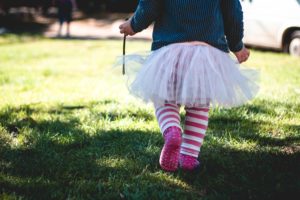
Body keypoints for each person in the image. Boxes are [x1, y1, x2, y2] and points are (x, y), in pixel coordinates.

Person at [119, 0, 259, 172]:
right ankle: (189, 157)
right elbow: (233, 14)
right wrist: (237, 46)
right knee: (199, 106)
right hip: (208, 52)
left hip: (169, 49)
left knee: (165, 99)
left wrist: (133, 25)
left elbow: (150, 6)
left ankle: (172, 130)